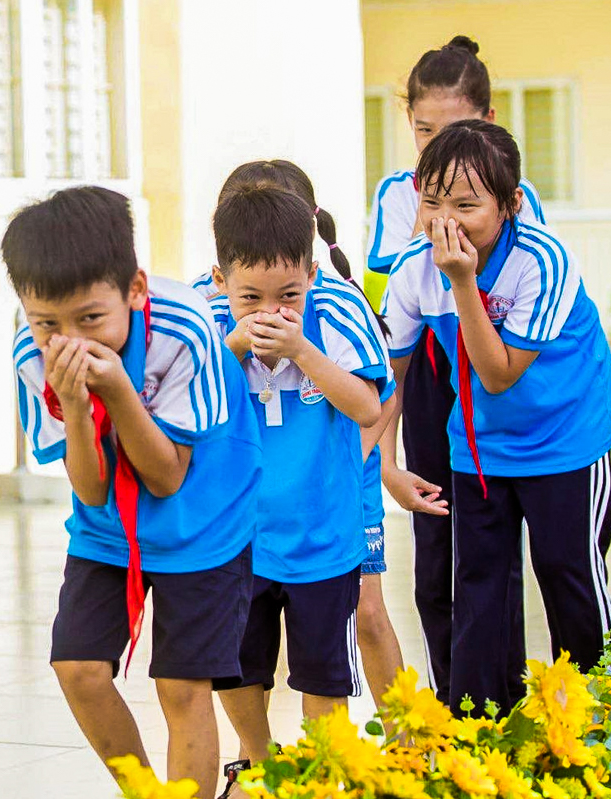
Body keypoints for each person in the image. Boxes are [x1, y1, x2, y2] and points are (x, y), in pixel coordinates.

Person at [4, 186, 263, 799]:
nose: (69, 340)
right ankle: (149, 793)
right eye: (46, 323)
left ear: (135, 290)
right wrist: (72, 404)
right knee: (78, 669)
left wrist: (118, 391)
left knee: (182, 686)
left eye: (90, 319)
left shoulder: (185, 328)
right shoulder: (30, 353)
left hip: (205, 522)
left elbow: (167, 476)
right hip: (108, 530)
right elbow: (91, 492)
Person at [381, 119, 611, 715]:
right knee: (479, 590)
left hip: (565, 439)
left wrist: (461, 281)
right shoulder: (415, 267)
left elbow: (499, 373)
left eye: (467, 204)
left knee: (569, 576)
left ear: (510, 203)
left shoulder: (543, 259)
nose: (447, 220)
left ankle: (605, 724)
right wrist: (386, 464)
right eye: (432, 202)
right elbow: (391, 375)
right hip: (481, 446)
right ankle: (482, 733)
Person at [192, 161, 403, 780]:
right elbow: (184, 414)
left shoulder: (334, 315)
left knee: (324, 675)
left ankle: (320, 777)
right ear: (219, 279)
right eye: (249, 297)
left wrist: (303, 351)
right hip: (236, 541)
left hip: (321, 538)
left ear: (312, 274)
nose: (270, 311)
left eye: (288, 296)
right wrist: (234, 341)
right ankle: (256, 760)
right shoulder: (202, 321)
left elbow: (370, 406)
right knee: (236, 668)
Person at [366, 35, 545, 703]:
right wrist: (429, 218)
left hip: (493, 378)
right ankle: (454, 700)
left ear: (489, 124)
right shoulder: (395, 195)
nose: (436, 143)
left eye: (457, 128)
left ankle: (506, 699)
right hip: (431, 379)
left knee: (492, 556)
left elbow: (520, 311)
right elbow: (397, 310)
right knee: (435, 552)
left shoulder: (515, 196)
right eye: (423, 130)